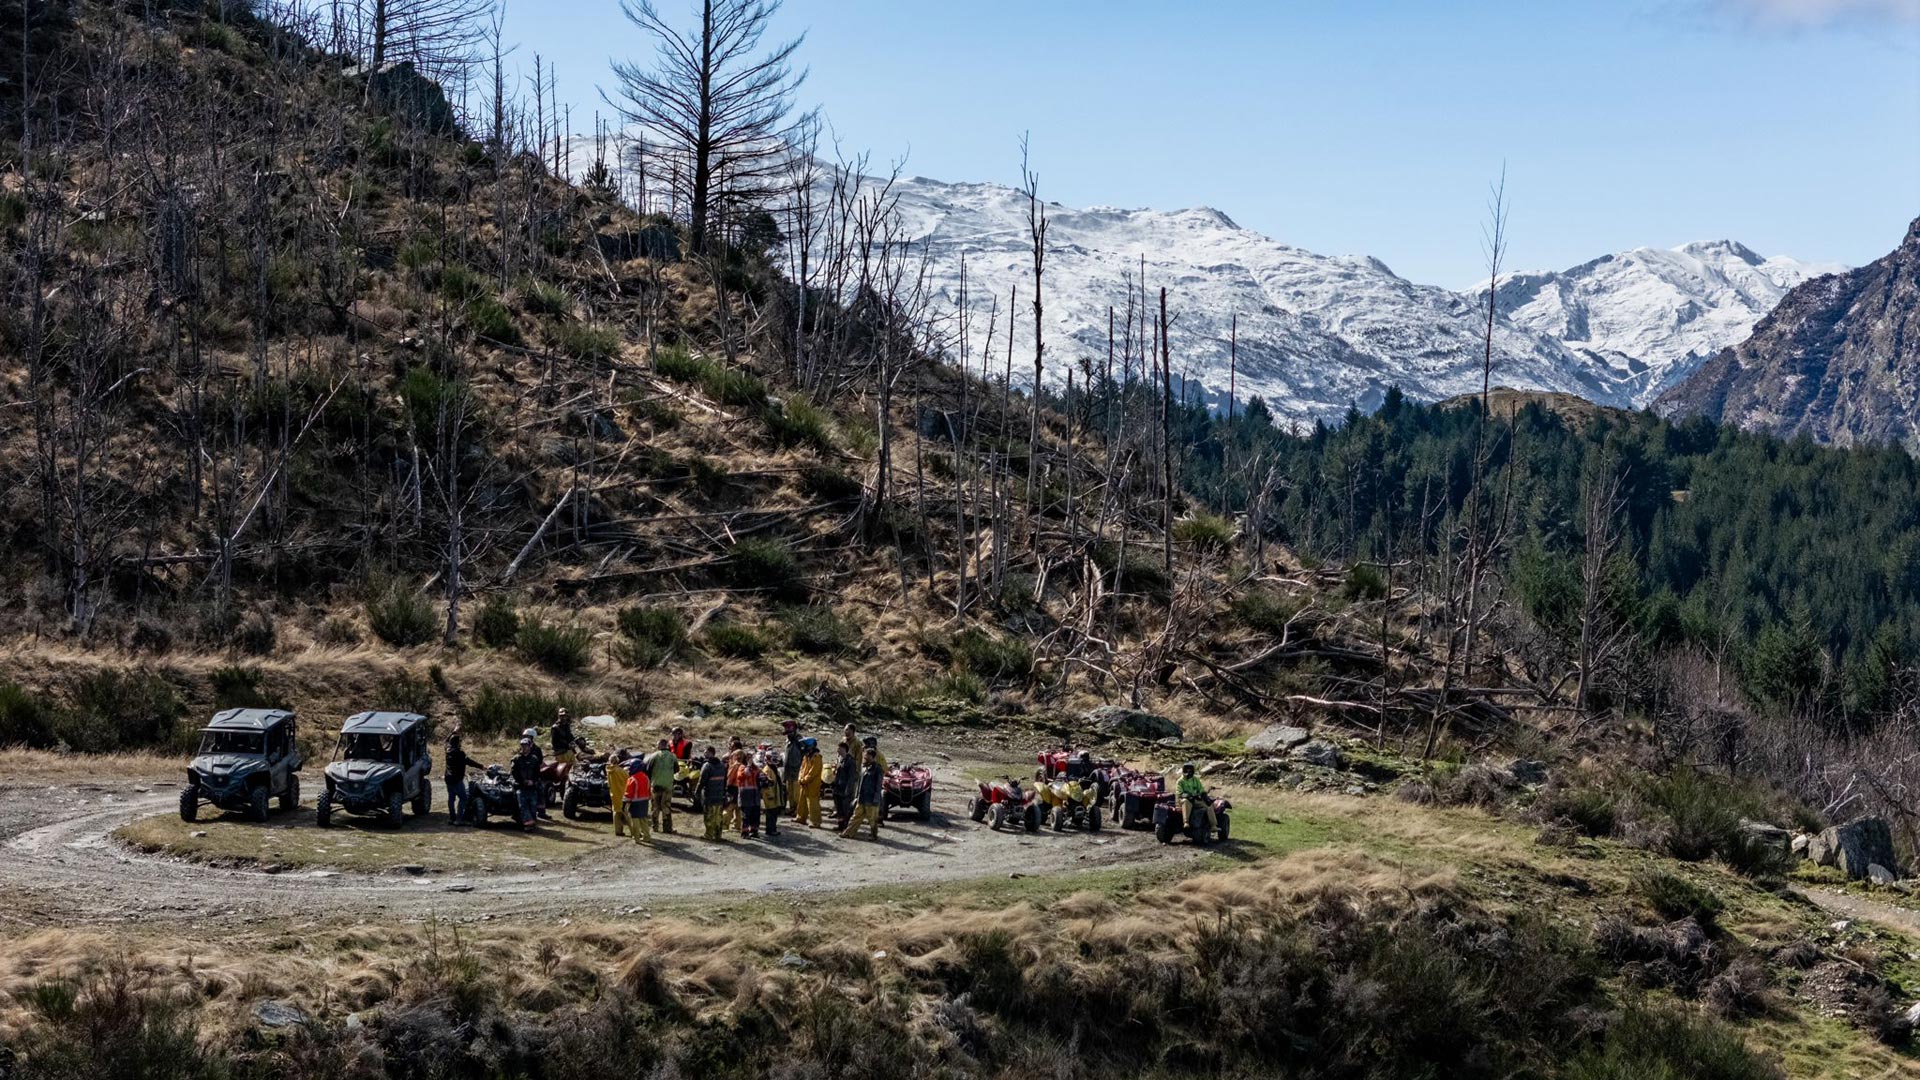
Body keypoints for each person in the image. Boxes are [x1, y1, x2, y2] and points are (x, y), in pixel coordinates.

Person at [841, 748, 883, 841]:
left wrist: (875, 800)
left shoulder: (877, 769)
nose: (865, 757)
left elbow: (878, 786)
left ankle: (874, 835)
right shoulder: (864, 768)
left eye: (867, 756)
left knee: (872, 819)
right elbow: (860, 784)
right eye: (865, 755)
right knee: (855, 817)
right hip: (861, 799)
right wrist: (856, 797)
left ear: (872, 757)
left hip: (871, 800)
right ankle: (848, 833)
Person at [645, 739, 678, 834]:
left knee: (655, 807)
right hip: (667, 786)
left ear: (659, 745)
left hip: (655, 785)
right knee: (666, 806)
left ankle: (655, 827)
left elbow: (648, 769)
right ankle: (667, 828)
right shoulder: (673, 756)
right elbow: (676, 769)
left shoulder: (654, 756)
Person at [510, 737, 542, 829]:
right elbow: (514, 773)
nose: (524, 748)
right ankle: (527, 824)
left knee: (533, 806)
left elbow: (537, 773)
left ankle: (532, 822)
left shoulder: (534, 759)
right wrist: (523, 781)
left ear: (529, 746)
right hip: (520, 787)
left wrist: (533, 781)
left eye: (526, 746)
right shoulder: (516, 759)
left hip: (532, 787)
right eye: (522, 746)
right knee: (523, 805)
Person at [698, 747, 729, 841]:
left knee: (709, 816)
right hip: (719, 795)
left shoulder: (707, 766)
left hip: (709, 795)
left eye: (706, 752)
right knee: (718, 817)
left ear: (712, 753)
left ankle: (709, 835)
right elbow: (725, 780)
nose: (704, 754)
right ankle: (718, 835)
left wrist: (697, 792)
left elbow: (701, 781)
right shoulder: (722, 765)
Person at [1176, 763, 1215, 837]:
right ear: (1183, 771)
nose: (1188, 772)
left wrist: (1204, 797)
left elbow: (1201, 790)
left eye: (1190, 771)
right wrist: (1188, 795)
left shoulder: (1196, 780)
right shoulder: (1180, 781)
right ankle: (1186, 822)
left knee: (1208, 806)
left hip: (1195, 800)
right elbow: (1179, 793)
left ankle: (1213, 825)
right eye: (1187, 770)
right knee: (1186, 801)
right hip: (1185, 800)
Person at [443, 732, 472, 826]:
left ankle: (452, 818)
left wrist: (452, 732)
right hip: (457, 780)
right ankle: (459, 819)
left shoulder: (447, 751)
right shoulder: (460, 754)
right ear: (458, 743)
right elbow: (469, 762)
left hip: (448, 779)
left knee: (451, 799)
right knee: (463, 798)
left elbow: (445, 741)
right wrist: (481, 766)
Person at [731, 751, 761, 838]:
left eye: (751, 758)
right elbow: (744, 775)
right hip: (745, 794)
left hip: (755, 793)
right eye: (748, 758)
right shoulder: (742, 767)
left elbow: (760, 774)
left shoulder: (755, 768)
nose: (750, 759)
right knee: (746, 814)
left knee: (755, 813)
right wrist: (748, 765)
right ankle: (744, 832)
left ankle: (754, 831)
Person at [794, 738, 823, 828]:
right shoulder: (806, 756)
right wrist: (800, 778)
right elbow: (802, 769)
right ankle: (801, 818)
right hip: (804, 783)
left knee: (813, 803)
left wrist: (804, 780)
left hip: (812, 784)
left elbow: (813, 772)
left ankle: (815, 822)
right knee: (802, 801)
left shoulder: (817, 757)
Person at [623, 761, 653, 844]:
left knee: (635, 821)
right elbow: (649, 790)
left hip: (635, 803)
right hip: (645, 802)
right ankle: (647, 837)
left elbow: (628, 793)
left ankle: (637, 838)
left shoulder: (632, 779)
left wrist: (625, 801)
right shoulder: (646, 777)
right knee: (644, 820)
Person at [830, 739, 857, 830]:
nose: (838, 750)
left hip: (844, 789)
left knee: (845, 809)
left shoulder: (850, 761)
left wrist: (848, 790)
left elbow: (851, 777)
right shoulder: (839, 760)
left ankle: (846, 827)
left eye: (839, 749)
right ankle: (840, 826)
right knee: (839, 809)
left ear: (844, 749)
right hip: (837, 788)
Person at [758, 751, 786, 836]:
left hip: (775, 794)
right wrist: (770, 795)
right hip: (770, 796)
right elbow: (765, 785)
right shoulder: (767, 770)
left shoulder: (773, 768)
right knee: (771, 813)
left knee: (774, 813)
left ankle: (773, 829)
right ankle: (770, 830)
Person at [607, 748, 632, 838]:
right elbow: (628, 779)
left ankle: (618, 830)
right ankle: (634, 831)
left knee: (616, 812)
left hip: (614, 794)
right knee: (627, 814)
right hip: (622, 794)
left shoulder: (608, 771)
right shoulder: (621, 771)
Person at [781, 721, 804, 818]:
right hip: (788, 770)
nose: (787, 733)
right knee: (789, 791)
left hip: (797, 770)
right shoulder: (788, 740)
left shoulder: (800, 740)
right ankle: (791, 808)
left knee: (796, 792)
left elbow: (804, 755)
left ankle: (798, 810)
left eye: (789, 730)